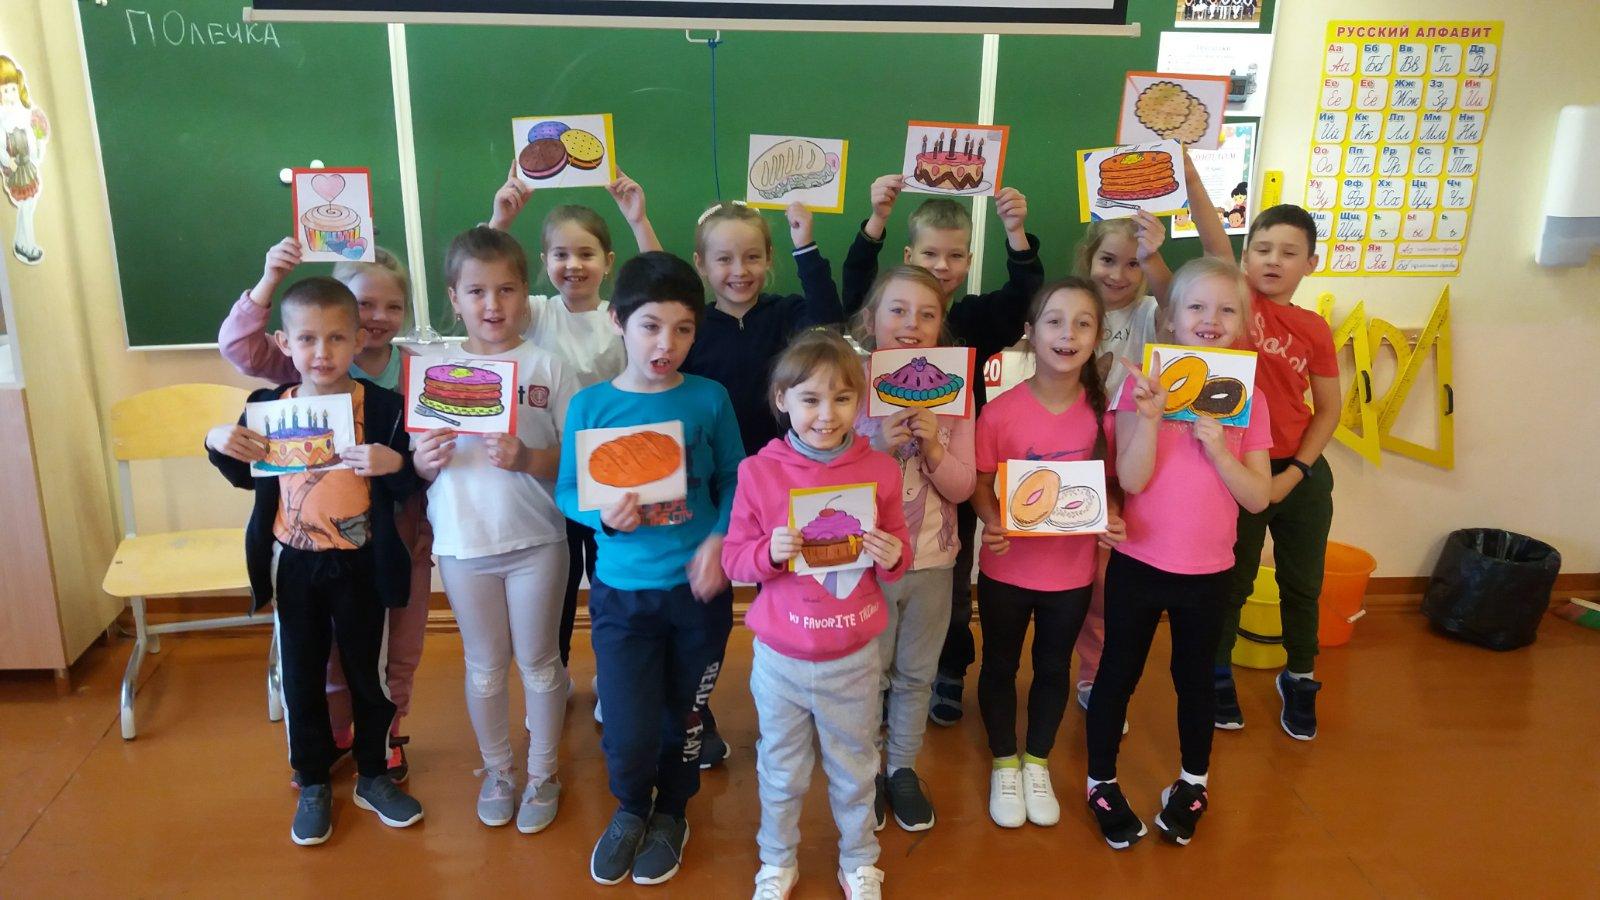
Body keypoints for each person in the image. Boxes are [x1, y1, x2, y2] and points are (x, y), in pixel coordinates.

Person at [204, 276, 424, 845]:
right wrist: (216, 440)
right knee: (301, 676)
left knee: (368, 675)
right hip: (295, 565)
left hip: (362, 565)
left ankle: (374, 774)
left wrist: (395, 465)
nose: (321, 353)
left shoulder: (385, 408)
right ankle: (313, 779)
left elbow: (410, 482)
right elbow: (242, 473)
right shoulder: (265, 407)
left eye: (336, 338)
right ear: (284, 343)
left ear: (358, 341)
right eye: (307, 339)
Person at [556, 251, 744, 886]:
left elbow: (735, 477)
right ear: (617, 320)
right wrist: (603, 515)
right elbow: (567, 491)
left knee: (684, 716)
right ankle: (632, 807)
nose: (667, 344)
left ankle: (673, 812)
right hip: (623, 594)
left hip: (697, 593)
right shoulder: (591, 406)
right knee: (629, 725)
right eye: (651, 326)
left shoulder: (708, 398)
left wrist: (718, 541)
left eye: (683, 329)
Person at [841, 176, 1041, 728]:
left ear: (969, 261)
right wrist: (876, 221)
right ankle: (876, 686)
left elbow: (1024, 298)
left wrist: (1016, 233)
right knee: (879, 594)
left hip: (951, 466)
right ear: (909, 256)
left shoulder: (973, 318)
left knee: (948, 589)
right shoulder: (869, 351)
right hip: (881, 493)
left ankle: (947, 670)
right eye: (930, 254)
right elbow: (856, 287)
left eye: (955, 256)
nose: (943, 266)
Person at [1085, 258, 1271, 849]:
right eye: (1196, 307)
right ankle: (1100, 781)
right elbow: (1132, 480)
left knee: (1195, 680)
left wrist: (1219, 450)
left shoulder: (1249, 397)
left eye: (1226, 309)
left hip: (1209, 571)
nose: (1210, 319)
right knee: (1118, 672)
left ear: (1243, 322)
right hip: (1139, 562)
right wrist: (1150, 419)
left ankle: (1194, 782)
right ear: (1170, 317)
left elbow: (1258, 496)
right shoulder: (1142, 386)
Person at [723, 329, 908, 900]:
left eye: (842, 398)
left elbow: (898, 557)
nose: (826, 415)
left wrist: (892, 555)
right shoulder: (759, 472)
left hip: (853, 658)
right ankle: (777, 860)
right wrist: (768, 553)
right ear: (782, 400)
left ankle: (859, 859)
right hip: (779, 659)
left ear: (860, 400)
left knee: (856, 767)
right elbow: (735, 560)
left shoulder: (881, 470)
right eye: (810, 399)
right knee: (781, 769)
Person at [412, 226, 579, 833]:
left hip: (537, 541)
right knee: (484, 666)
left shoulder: (548, 367)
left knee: (539, 661)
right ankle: (499, 770)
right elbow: (421, 467)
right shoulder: (435, 371)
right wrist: (423, 461)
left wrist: (527, 458)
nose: (492, 304)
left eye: (506, 290)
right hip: (464, 545)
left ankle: (543, 773)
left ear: (524, 293)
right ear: (453, 298)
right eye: (477, 291)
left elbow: (578, 458)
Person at [486, 167, 657, 715]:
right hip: (552, 472)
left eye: (586, 253)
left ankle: (614, 680)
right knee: (556, 589)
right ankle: (552, 680)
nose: (573, 265)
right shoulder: (536, 312)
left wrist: (639, 220)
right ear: (543, 263)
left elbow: (661, 286)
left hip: (617, 473)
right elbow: (483, 280)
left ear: (609, 261)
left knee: (610, 581)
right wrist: (501, 221)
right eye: (560, 254)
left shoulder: (622, 316)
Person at [970, 278, 1125, 829]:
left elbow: (1112, 486)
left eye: (1083, 323)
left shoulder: (1104, 416)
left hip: (1072, 575)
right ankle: (1004, 762)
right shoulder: (999, 412)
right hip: (1006, 570)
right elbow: (981, 483)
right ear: (1030, 333)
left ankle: (1036, 762)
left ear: (1097, 337)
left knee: (1054, 667)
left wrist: (1111, 515)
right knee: (1000, 663)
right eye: (1055, 321)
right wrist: (991, 520)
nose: (1068, 334)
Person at [1189, 182, 1342, 741]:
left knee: (1304, 583)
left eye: (1289, 252)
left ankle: (1299, 676)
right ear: (1244, 256)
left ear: (1311, 263)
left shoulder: (1313, 327)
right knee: (1233, 581)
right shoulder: (1237, 304)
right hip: (1239, 469)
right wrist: (1186, 163)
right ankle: (1217, 673)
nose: (1273, 260)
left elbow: (1329, 409)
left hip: (1300, 470)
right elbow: (1210, 231)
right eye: (1262, 249)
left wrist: (1297, 472)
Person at [851, 265, 977, 832]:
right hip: (867, 563)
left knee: (916, 675)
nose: (912, 324)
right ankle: (865, 771)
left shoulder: (955, 393)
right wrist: (877, 444)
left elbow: (963, 487)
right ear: (871, 319)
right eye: (897, 310)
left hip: (932, 563)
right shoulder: (850, 384)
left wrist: (934, 450)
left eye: (927, 315)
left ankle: (901, 767)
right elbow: (829, 477)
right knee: (868, 675)